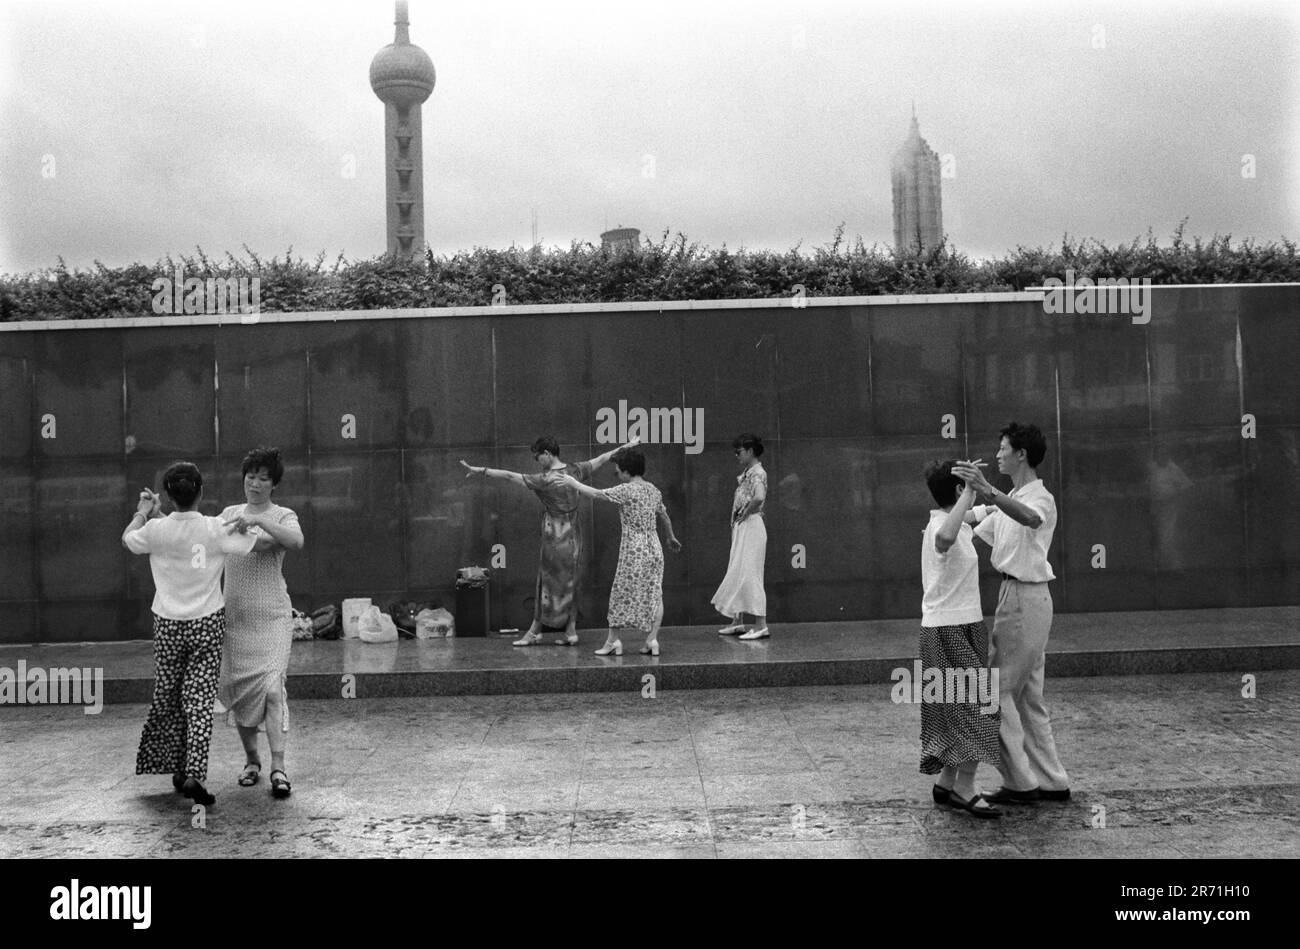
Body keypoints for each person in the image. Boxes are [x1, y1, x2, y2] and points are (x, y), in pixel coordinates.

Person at [122, 461, 263, 807]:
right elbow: (254, 544)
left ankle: (175, 766)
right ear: (201, 492)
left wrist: (143, 512)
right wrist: (249, 523)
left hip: (167, 623)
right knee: (199, 701)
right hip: (206, 622)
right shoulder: (216, 528)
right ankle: (194, 774)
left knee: (168, 694)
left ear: (168, 496)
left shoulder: (156, 530)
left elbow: (128, 540)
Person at [954, 422, 1070, 805]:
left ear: (1021, 454)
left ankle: (1021, 782)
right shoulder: (1013, 497)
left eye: (1003, 448)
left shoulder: (1039, 499)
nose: (998, 454)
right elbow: (975, 524)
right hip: (1019, 597)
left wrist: (988, 490)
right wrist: (947, 515)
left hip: (1025, 599)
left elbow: (1029, 518)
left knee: (994, 691)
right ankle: (1051, 780)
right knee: (1027, 697)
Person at [461, 435, 640, 646]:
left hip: (554, 536)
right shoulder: (575, 470)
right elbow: (603, 458)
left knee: (546, 582)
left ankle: (535, 630)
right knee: (572, 581)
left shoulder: (544, 480)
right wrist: (628, 446)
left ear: (547, 454)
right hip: (574, 535)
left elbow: (509, 476)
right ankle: (571, 631)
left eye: (538, 457)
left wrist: (480, 470)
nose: (537, 461)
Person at [218, 447, 305, 799]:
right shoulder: (227, 514)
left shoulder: (284, 515)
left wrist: (259, 521)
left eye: (263, 478)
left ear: (274, 484)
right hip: (235, 617)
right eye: (250, 476)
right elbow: (206, 538)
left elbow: (294, 541)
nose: (254, 483)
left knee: (272, 688)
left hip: (272, 617)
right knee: (241, 693)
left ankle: (278, 766)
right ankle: (252, 760)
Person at [918, 461, 1001, 818]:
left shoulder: (957, 519)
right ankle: (966, 787)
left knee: (958, 708)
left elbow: (981, 512)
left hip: (964, 624)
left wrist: (992, 496)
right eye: (963, 490)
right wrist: (969, 492)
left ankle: (947, 784)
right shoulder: (940, 524)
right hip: (947, 628)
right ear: (956, 494)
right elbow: (946, 538)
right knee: (979, 708)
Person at [561, 448, 682, 656]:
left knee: (620, 593)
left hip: (633, 549)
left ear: (626, 471)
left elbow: (597, 494)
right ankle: (652, 640)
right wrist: (670, 537)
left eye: (617, 471)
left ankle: (613, 641)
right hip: (654, 547)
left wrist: (573, 484)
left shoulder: (627, 490)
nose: (616, 474)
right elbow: (664, 515)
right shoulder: (653, 490)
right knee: (656, 594)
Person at [714, 433, 770, 640]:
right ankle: (737, 621)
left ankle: (761, 624)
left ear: (750, 451)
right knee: (738, 571)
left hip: (751, 526)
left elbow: (759, 497)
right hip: (744, 527)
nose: (737, 455)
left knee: (750, 573)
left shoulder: (757, 473)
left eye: (739, 452)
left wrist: (746, 512)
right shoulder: (749, 473)